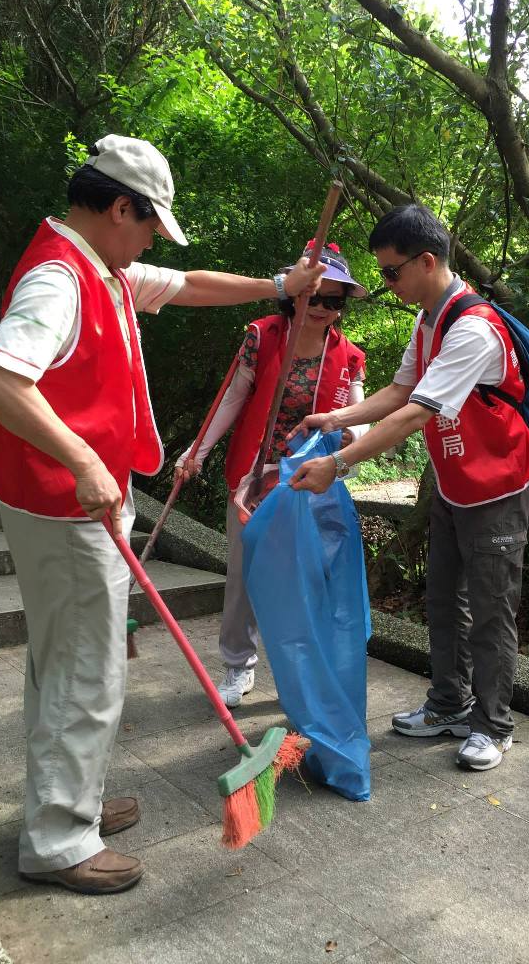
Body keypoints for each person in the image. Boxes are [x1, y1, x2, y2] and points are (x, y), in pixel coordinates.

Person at [0, 134, 324, 895]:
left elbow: (190, 284)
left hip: (69, 502)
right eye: (147, 225)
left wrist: (277, 284)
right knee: (85, 672)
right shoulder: (61, 280)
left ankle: (74, 802)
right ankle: (60, 841)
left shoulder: (105, 268)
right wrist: (84, 461)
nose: (149, 244)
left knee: (67, 662)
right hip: (63, 507)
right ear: (118, 206)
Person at [289, 204, 529, 773]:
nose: (386, 284)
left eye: (390, 272)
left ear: (427, 261)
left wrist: (342, 465)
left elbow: (415, 415)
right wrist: (337, 419)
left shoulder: (473, 328)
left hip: (499, 483)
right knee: (443, 599)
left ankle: (493, 725)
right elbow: (402, 389)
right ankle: (449, 705)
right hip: (456, 481)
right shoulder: (429, 318)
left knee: (490, 608)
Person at [174, 241, 367, 707]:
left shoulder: (349, 355)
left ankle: (297, 670)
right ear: (294, 291)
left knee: (308, 578)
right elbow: (234, 397)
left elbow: (357, 413)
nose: (321, 307)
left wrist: (355, 439)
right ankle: (237, 665)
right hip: (253, 477)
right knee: (245, 574)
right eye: (314, 295)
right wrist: (197, 450)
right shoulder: (262, 335)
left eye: (333, 300)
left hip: (310, 477)